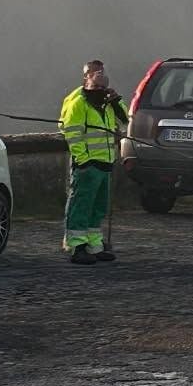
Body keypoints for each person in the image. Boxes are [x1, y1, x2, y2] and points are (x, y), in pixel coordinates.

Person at [59, 60, 127, 266]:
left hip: (105, 162)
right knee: (81, 205)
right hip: (87, 165)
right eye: (95, 80)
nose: (99, 88)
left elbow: (125, 119)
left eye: (102, 83)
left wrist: (116, 101)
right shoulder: (78, 102)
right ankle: (77, 246)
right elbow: (73, 134)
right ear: (86, 78)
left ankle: (94, 245)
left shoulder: (107, 101)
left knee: (98, 207)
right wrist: (83, 160)